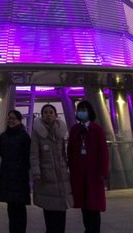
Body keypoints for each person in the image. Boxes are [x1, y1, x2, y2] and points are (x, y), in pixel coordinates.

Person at [68, 100, 109, 233]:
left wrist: (103, 172)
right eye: (79, 110)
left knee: (94, 205)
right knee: (83, 205)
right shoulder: (74, 130)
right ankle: (88, 229)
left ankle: (94, 230)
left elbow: (104, 152)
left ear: (90, 112)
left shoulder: (97, 130)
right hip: (79, 174)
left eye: (84, 110)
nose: (81, 112)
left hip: (94, 174)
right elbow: (70, 151)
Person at [29, 104, 71, 233]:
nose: (48, 114)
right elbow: (34, 154)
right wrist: (36, 172)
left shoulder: (63, 131)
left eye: (51, 112)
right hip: (46, 176)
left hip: (62, 175)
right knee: (49, 209)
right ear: (42, 115)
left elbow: (67, 152)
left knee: (62, 209)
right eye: (45, 112)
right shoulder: (37, 132)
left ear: (55, 114)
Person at [0, 110, 31, 233]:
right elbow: (1, 152)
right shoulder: (4, 136)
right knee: (11, 207)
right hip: (7, 175)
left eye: (13, 118)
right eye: (9, 118)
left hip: (20, 176)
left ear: (19, 120)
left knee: (20, 207)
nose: (11, 121)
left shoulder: (24, 136)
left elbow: (28, 157)